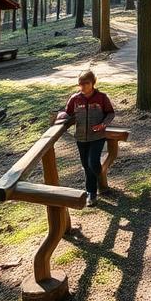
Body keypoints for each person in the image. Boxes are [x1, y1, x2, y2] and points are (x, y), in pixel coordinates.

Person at [56, 70, 115, 206]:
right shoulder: (75, 99)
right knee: (86, 166)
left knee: (93, 163)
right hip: (81, 138)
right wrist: (61, 117)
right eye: (80, 84)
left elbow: (110, 113)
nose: (83, 86)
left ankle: (94, 186)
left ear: (93, 83)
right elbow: (68, 113)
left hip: (97, 137)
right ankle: (91, 193)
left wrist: (103, 124)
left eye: (86, 83)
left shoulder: (101, 97)